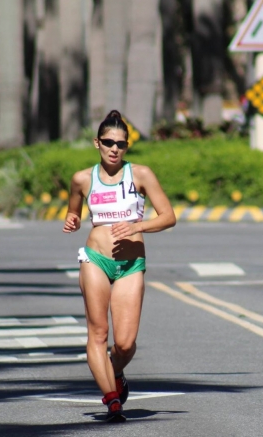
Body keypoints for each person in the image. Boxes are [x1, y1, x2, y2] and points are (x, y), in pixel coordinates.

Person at [62, 110, 176, 422]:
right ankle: (112, 400)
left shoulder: (141, 175)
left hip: (130, 263)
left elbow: (168, 216)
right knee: (98, 333)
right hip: (95, 259)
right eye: (109, 142)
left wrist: (138, 227)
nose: (115, 149)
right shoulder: (82, 179)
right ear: (97, 143)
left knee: (124, 343)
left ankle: (114, 373)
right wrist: (72, 219)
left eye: (122, 144)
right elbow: (74, 210)